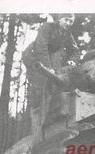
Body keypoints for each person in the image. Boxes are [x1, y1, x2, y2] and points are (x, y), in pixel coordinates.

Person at [22, 13, 80, 142]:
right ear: (59, 19)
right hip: (34, 59)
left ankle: (48, 132)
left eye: (71, 21)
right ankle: (37, 137)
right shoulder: (47, 27)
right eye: (66, 19)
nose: (69, 23)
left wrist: (72, 60)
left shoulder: (66, 34)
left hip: (50, 63)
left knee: (53, 95)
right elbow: (41, 48)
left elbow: (75, 50)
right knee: (38, 98)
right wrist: (49, 67)